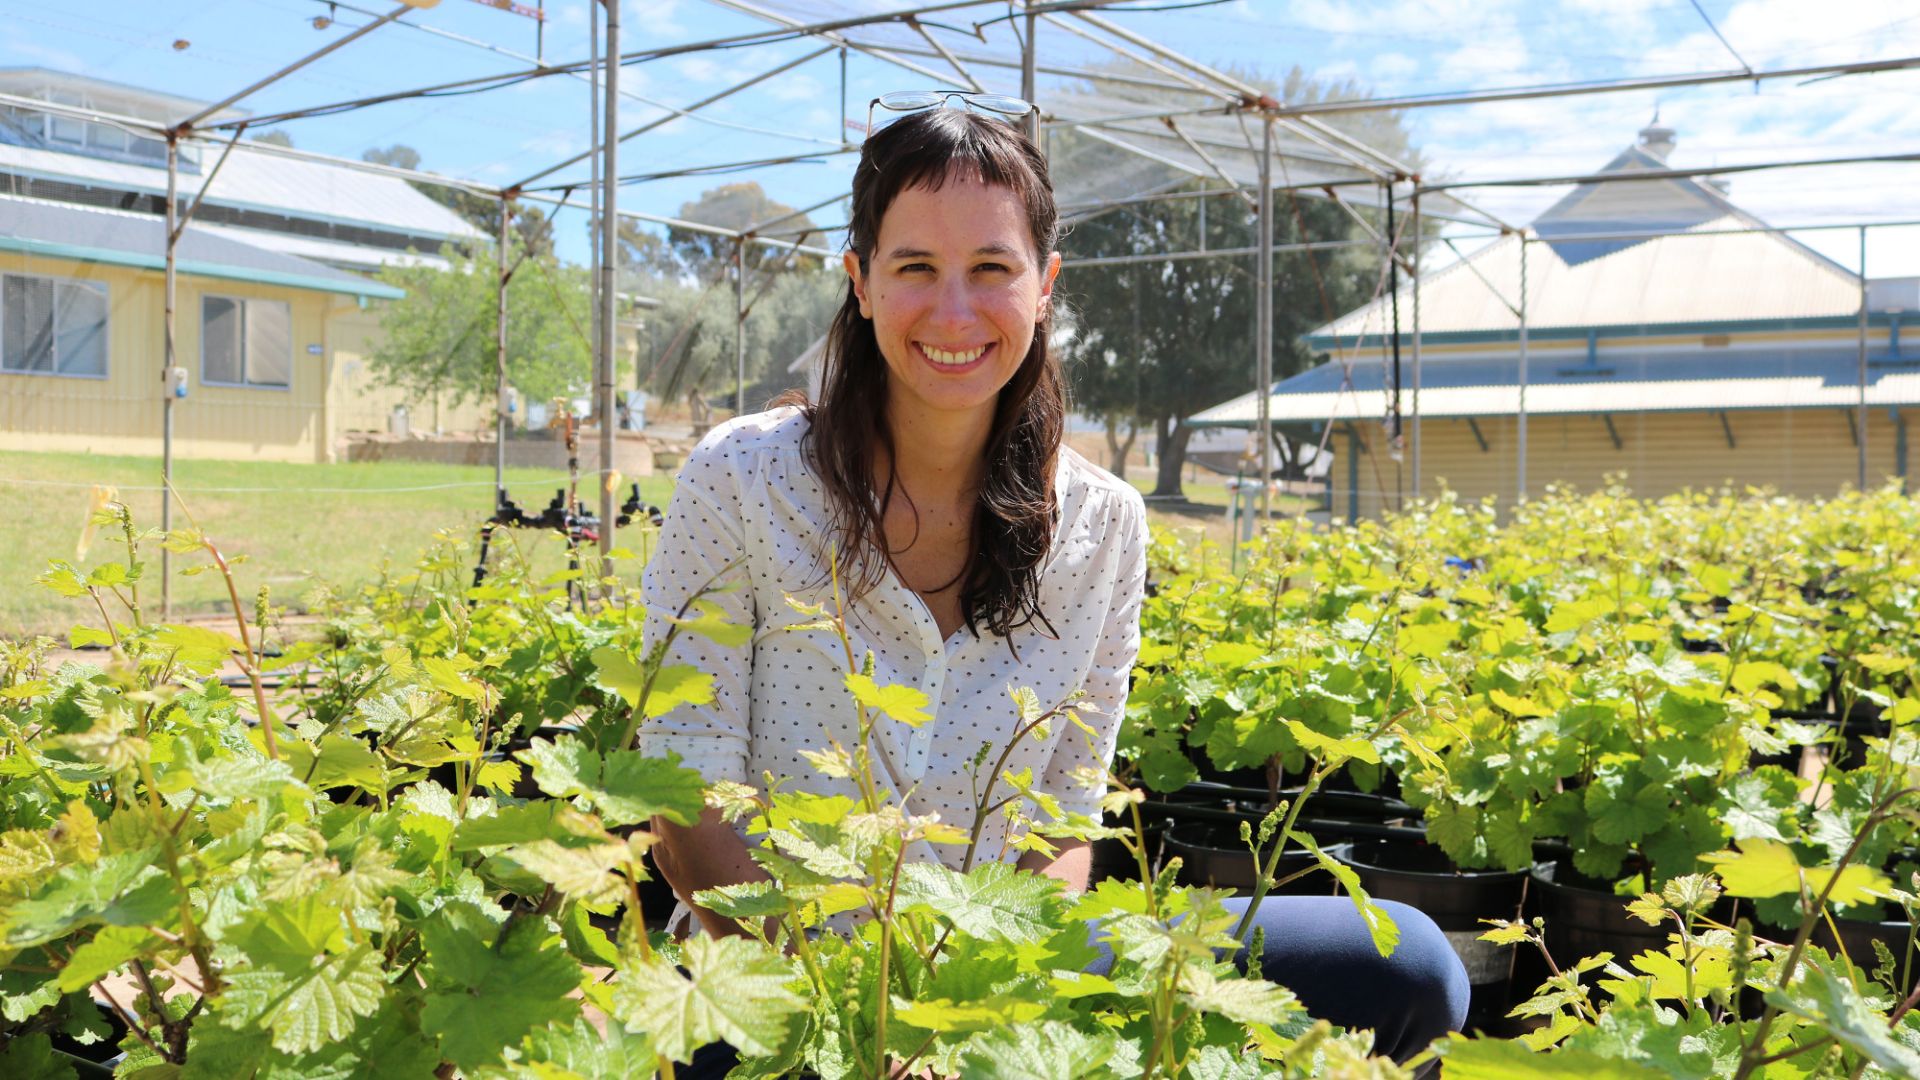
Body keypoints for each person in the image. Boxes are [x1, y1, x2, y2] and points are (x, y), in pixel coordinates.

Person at [638, 99, 1468, 1074]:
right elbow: (683, 798)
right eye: (915, 269)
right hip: (773, 988)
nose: (956, 312)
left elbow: (1064, 820)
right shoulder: (741, 480)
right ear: (860, 283)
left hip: (993, 974)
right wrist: (856, 1024)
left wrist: (992, 1015)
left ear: (1044, 288)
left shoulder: (1105, 527)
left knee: (1412, 966)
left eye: (992, 269)